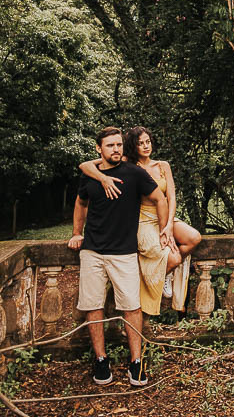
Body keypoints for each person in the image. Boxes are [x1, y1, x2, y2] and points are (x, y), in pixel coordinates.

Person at [68, 126, 165, 387]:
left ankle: (136, 362)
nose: (116, 149)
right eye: (110, 145)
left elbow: (159, 198)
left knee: (132, 307)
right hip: (92, 251)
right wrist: (77, 232)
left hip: (124, 253)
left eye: (119, 145)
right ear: (99, 149)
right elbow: (81, 202)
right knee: (92, 305)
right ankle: (101, 359)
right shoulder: (90, 174)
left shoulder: (134, 173)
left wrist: (164, 229)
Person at [79, 126, 202, 315]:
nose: (145, 146)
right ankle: (162, 273)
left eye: (148, 142)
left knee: (194, 238)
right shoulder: (128, 163)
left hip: (164, 215)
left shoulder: (163, 165)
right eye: (140, 143)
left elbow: (171, 197)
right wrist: (103, 178)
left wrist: (168, 227)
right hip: (143, 217)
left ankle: (165, 274)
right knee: (173, 256)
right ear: (132, 146)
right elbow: (85, 166)